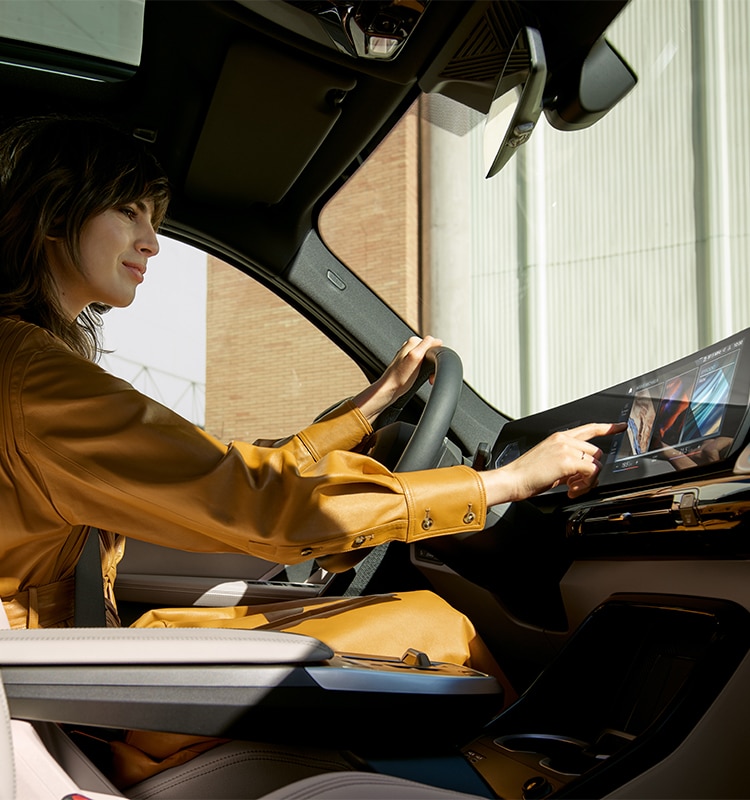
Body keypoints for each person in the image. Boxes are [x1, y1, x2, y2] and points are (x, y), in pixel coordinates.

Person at [0, 115, 621, 790]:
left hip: (65, 670)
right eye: (129, 212)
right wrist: (502, 484)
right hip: (56, 688)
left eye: (153, 219)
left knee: (404, 623)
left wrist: (364, 413)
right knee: (441, 630)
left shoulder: (27, 362)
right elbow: (253, 501)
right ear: (54, 213)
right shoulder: (34, 377)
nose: (152, 242)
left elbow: (217, 474)